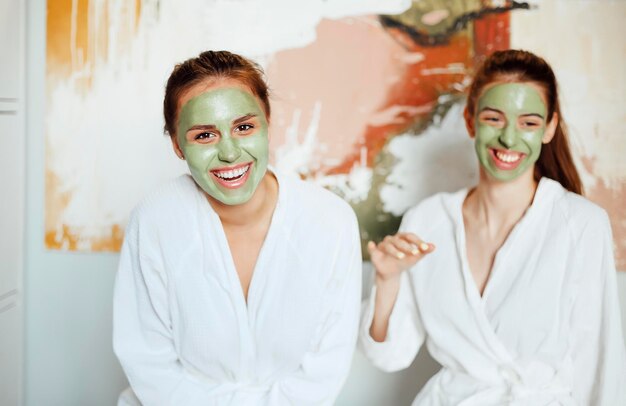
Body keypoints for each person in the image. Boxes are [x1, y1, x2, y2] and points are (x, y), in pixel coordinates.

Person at [359, 49, 626, 405]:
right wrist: (387, 281)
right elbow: (389, 355)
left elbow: (600, 363)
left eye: (528, 123)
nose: (510, 140)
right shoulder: (428, 220)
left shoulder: (580, 224)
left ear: (549, 128)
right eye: (494, 119)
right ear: (471, 121)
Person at [113, 50, 362, 406]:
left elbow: (325, 368)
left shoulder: (330, 221)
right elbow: (148, 362)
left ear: (267, 123)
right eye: (204, 136)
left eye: (244, 127)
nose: (230, 153)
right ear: (177, 146)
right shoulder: (154, 221)